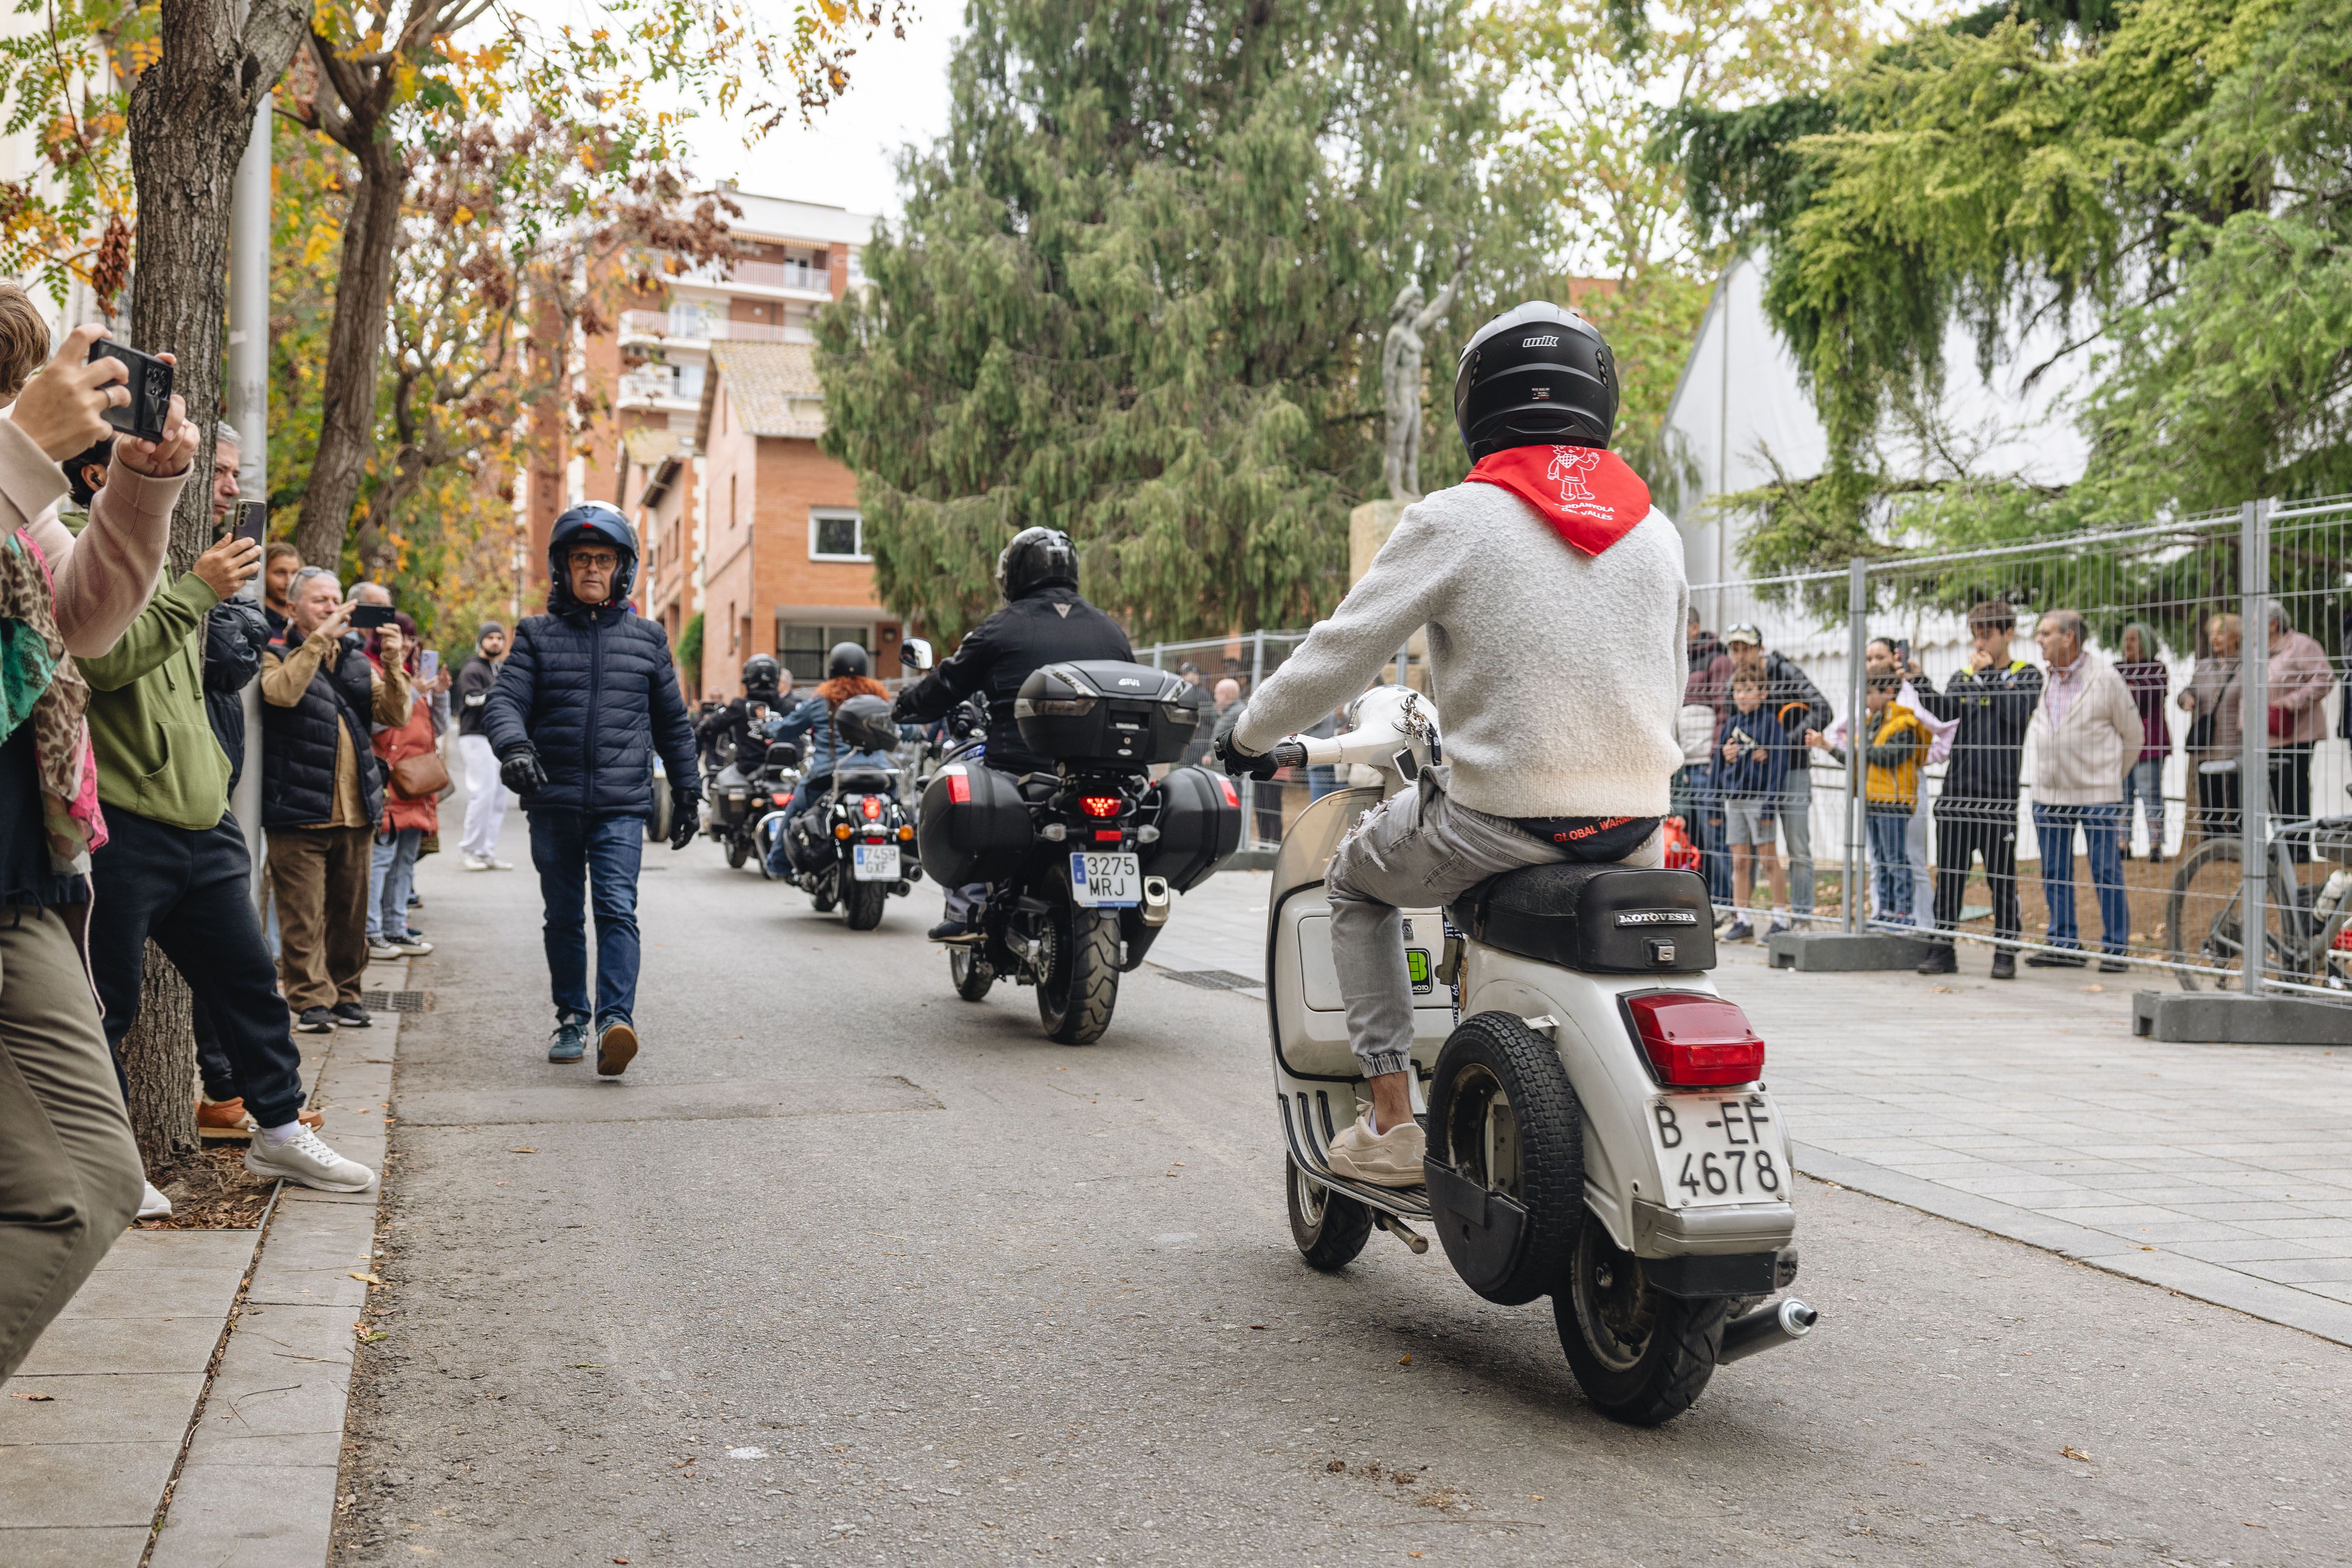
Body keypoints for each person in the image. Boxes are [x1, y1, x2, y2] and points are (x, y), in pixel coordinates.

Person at [1219, 301, 1684, 1186]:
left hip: (1500, 819)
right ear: (1600, 395)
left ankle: (1392, 1120)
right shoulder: (1654, 530)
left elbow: (1339, 652)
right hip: (1634, 826)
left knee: (1354, 879)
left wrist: (1248, 732)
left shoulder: (1460, 517)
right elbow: (1672, 680)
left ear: (1479, 400)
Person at [0, 306, 213, 1373]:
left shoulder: (19, 492)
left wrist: (139, 485)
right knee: (69, 1193)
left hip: (27, 877)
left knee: (93, 1181)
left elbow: (79, 621)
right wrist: (20, 453)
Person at [80, 443, 377, 1200]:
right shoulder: (77, 545)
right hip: (120, 824)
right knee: (103, 1006)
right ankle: (112, 1170)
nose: (211, 483)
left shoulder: (170, 557)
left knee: (250, 986)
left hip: (200, 818)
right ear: (102, 476)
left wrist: (211, 780)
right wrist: (196, 592)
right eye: (198, 468)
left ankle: (279, 1133)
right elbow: (101, 660)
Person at [481, 502, 701, 1075]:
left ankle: (615, 1022)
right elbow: (504, 703)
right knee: (562, 915)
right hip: (552, 799)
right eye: (581, 559)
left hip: (621, 804)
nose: (592, 569)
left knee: (616, 909)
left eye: (603, 559)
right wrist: (516, 748)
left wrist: (688, 792)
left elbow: (674, 724)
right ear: (563, 567)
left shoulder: (649, 639)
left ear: (622, 568)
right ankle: (572, 1017)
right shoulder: (535, 635)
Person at [892, 526, 1133, 942]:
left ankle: (966, 910)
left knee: (958, 782)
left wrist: (905, 705)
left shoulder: (1001, 628)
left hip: (1018, 768)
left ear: (1014, 575)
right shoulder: (1110, 629)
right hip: (1102, 774)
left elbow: (946, 684)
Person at [261, 568, 413, 1031]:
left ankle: (348, 994)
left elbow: (395, 714)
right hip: (297, 810)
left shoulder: (356, 662)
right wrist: (315, 643)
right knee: (302, 917)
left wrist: (393, 663)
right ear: (293, 609)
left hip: (357, 809)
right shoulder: (274, 654)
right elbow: (281, 694)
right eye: (319, 601)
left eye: (335, 600)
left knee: (350, 916)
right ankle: (310, 1001)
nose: (332, 608)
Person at [1912, 601, 2042, 978]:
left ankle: (2005, 952)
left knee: (2001, 879)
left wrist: (1987, 677)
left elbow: (2016, 715)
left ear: (2008, 634)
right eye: (1976, 635)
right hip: (1956, 795)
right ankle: (1942, 949)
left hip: (1998, 798)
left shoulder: (2026, 674)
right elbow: (1944, 715)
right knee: (1950, 877)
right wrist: (1919, 681)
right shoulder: (1962, 677)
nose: (1980, 643)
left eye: (1987, 635)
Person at [2023, 609, 2141, 971]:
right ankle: (2063, 945)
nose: (2039, 640)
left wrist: (2108, 776)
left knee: (2105, 871)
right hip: (2048, 795)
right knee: (2054, 871)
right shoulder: (2042, 680)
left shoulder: (2105, 678)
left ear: (2068, 638)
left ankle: (2115, 949)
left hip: (2096, 796)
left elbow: (2133, 735)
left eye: (2045, 633)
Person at [1723, 623, 1832, 921]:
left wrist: (1781, 745)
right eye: (1734, 649)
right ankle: (1743, 919)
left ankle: (1801, 918)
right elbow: (1731, 730)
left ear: (1760, 649)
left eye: (1746, 648)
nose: (1740, 655)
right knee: (1748, 853)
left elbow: (1823, 710)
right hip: (1756, 781)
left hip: (1793, 771)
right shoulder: (1733, 684)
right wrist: (1729, 751)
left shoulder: (1786, 672)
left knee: (1797, 846)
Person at [1809, 662, 1929, 929]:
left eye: (1870, 694)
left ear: (1889, 692)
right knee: (1881, 860)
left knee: (1896, 859)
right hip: (1871, 800)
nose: (1865, 700)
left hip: (1893, 802)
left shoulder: (1906, 723)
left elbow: (1891, 756)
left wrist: (1859, 750)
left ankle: (1904, 914)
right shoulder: (1869, 723)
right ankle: (1885, 910)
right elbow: (1857, 758)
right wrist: (1827, 747)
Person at [763, 643, 899, 867]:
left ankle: (778, 865)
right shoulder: (881, 701)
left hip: (830, 774)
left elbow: (786, 729)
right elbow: (906, 728)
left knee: (794, 810)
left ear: (832, 668)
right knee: (899, 811)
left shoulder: (821, 701)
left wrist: (768, 729)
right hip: (879, 772)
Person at [367, 610, 437, 960]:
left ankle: (395, 926)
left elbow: (432, 729)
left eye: (411, 638)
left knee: (405, 860)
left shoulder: (411, 675)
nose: (407, 644)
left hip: (418, 782)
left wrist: (437, 695)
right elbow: (377, 725)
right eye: (400, 636)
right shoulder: (375, 672)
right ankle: (372, 932)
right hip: (390, 779)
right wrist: (413, 693)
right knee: (382, 858)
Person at [1716, 668, 1790, 941]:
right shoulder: (1731, 724)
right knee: (1739, 862)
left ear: (1763, 693)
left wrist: (1769, 804)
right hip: (1735, 800)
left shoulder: (1771, 723)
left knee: (1769, 860)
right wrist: (1727, 757)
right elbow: (1719, 763)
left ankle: (1781, 919)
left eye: (1748, 689)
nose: (1742, 696)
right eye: (1738, 690)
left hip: (1759, 800)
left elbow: (1779, 765)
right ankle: (1743, 920)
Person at [2260, 602, 2335, 856]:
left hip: (2299, 733)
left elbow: (2326, 678)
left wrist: (2292, 702)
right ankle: (2283, 845)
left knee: (2294, 789)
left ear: (2273, 624)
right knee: (2275, 792)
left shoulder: (2301, 645)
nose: (2252, 628)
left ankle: (2299, 849)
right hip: (2268, 735)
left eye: (2256, 622)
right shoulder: (2259, 652)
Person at [454, 621, 513, 869]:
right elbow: (471, 699)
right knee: (483, 793)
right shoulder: (473, 669)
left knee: (498, 796)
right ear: (481, 641)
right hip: (475, 737)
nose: (496, 642)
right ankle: (470, 850)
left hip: (494, 738)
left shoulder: (497, 668)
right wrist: (499, 692)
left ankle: (486, 850)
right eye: (491, 638)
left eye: (500, 638)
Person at [2180, 612, 2244, 838]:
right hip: (2207, 745)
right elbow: (2187, 691)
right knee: (2210, 803)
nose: (2215, 638)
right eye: (2212, 634)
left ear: (2235, 636)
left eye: (2221, 633)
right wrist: (2186, 699)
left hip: (2235, 744)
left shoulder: (2246, 666)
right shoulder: (2204, 667)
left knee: (2238, 801)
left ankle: (2239, 845)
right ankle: (2213, 846)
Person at [2115, 622, 2172, 860]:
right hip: (2120, 744)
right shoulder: (2116, 668)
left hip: (2150, 744)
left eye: (2134, 639)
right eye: (2126, 639)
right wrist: (2130, 690)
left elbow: (2146, 697)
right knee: (2121, 794)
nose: (2128, 644)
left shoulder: (2156, 668)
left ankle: (2155, 844)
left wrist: (2128, 690)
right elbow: (2110, 699)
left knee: (2150, 793)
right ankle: (2122, 842)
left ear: (2146, 643)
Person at [697, 653, 788, 770]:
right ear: (776, 677)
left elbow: (709, 726)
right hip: (784, 771)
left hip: (746, 770)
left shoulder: (739, 706)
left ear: (748, 677)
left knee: (719, 779)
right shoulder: (790, 706)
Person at [261, 540, 300, 636]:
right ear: (262, 574)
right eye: (280, 573)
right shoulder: (254, 622)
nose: (289, 581)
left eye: (295, 573)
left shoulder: (305, 624)